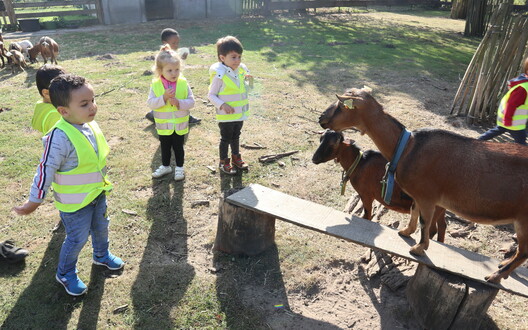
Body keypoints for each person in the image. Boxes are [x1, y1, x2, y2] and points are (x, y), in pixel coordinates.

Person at [13, 74, 124, 296]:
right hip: (74, 204)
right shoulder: (58, 137)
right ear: (64, 111)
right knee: (77, 238)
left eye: (93, 100)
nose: (92, 107)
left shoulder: (88, 124)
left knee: (101, 227)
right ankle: (65, 272)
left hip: (97, 194)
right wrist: (34, 200)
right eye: (84, 104)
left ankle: (101, 255)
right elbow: (45, 169)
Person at [147, 45, 195, 180]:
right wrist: (164, 98)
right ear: (160, 70)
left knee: (179, 147)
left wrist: (179, 103)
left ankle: (180, 168)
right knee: (165, 147)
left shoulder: (183, 83)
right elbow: (150, 103)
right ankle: (166, 166)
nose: (174, 73)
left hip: (179, 125)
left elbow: (191, 102)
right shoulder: (156, 85)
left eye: (177, 70)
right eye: (169, 70)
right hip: (164, 126)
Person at [208, 36, 253, 174]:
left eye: (239, 57)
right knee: (226, 139)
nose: (237, 60)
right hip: (226, 116)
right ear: (222, 58)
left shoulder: (241, 70)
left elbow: (247, 90)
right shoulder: (219, 75)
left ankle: (236, 158)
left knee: (236, 136)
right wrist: (222, 105)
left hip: (239, 114)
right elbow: (211, 95)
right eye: (233, 57)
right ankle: (223, 162)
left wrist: (250, 83)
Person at [145, 28, 201, 125]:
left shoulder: (175, 57)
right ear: (165, 43)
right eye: (174, 43)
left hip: (179, 117)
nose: (176, 45)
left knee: (181, 94)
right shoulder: (162, 59)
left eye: (177, 43)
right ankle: (154, 114)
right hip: (165, 124)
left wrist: (182, 59)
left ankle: (187, 116)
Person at [478, 57, 528, 145]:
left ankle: (477, 141)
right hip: (513, 121)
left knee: (497, 130)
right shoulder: (523, 88)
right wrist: (508, 119)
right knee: (521, 143)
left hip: (511, 119)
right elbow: (511, 104)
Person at [31, 64, 66, 135]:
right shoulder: (56, 115)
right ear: (46, 93)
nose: (69, 91)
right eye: (63, 88)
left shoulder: (41, 105)